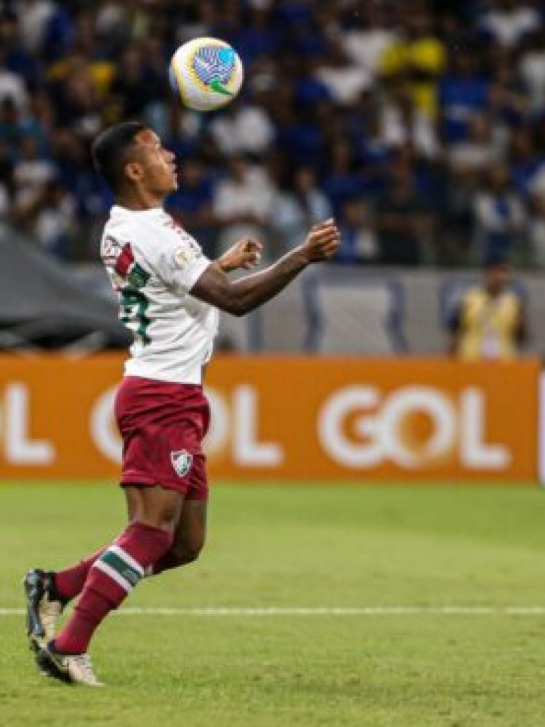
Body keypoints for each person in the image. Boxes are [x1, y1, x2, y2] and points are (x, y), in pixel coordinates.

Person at [24, 122, 340, 687]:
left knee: (184, 544)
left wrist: (217, 265)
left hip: (177, 394)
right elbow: (237, 304)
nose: (171, 155)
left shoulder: (127, 227)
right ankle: (70, 646)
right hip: (160, 395)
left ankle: (60, 586)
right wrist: (302, 256)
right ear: (134, 171)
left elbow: (173, 287)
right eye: (156, 150)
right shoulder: (155, 233)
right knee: (150, 531)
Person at [450, 256, 527, 360]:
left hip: (503, 362)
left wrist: (521, 320)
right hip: (472, 361)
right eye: (499, 271)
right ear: (488, 272)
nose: (502, 277)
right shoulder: (469, 299)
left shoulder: (513, 302)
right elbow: (457, 332)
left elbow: (521, 337)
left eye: (505, 273)